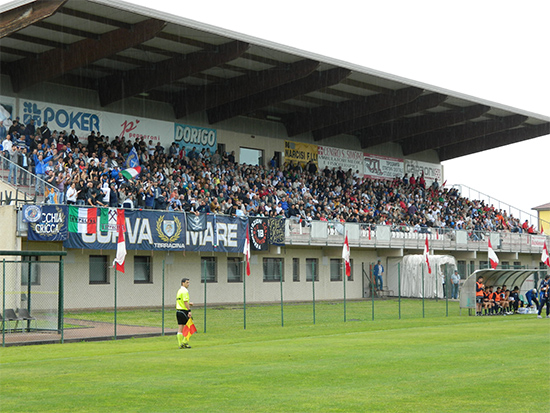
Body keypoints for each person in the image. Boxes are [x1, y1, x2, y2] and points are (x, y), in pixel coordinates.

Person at [176, 278, 193, 348]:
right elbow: (185, 302)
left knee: (180, 328)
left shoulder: (179, 291)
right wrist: (189, 310)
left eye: (188, 282)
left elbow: (182, 301)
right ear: (183, 283)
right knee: (190, 327)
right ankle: (184, 342)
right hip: (184, 311)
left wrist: (189, 303)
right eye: (187, 282)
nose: (188, 284)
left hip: (178, 311)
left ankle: (180, 344)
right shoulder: (185, 291)